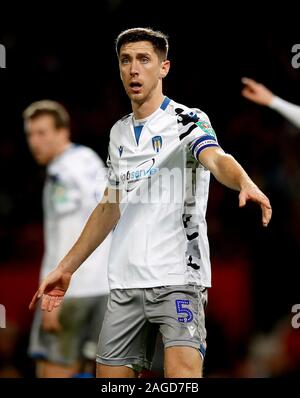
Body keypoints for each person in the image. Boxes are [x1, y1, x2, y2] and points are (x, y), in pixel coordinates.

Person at [29, 28, 272, 378]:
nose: (133, 69)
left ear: (164, 68)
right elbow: (108, 207)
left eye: (144, 59)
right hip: (124, 282)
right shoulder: (118, 133)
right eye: (125, 60)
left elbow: (217, 158)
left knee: (182, 377)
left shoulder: (187, 120)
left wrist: (244, 181)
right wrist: (67, 267)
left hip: (178, 277)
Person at [24, 100, 111, 378]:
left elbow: (66, 231)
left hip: (71, 292)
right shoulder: (89, 160)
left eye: (42, 133)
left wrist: (52, 293)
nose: (34, 141)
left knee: (53, 371)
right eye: (30, 134)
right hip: (106, 287)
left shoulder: (61, 173)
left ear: (63, 132)